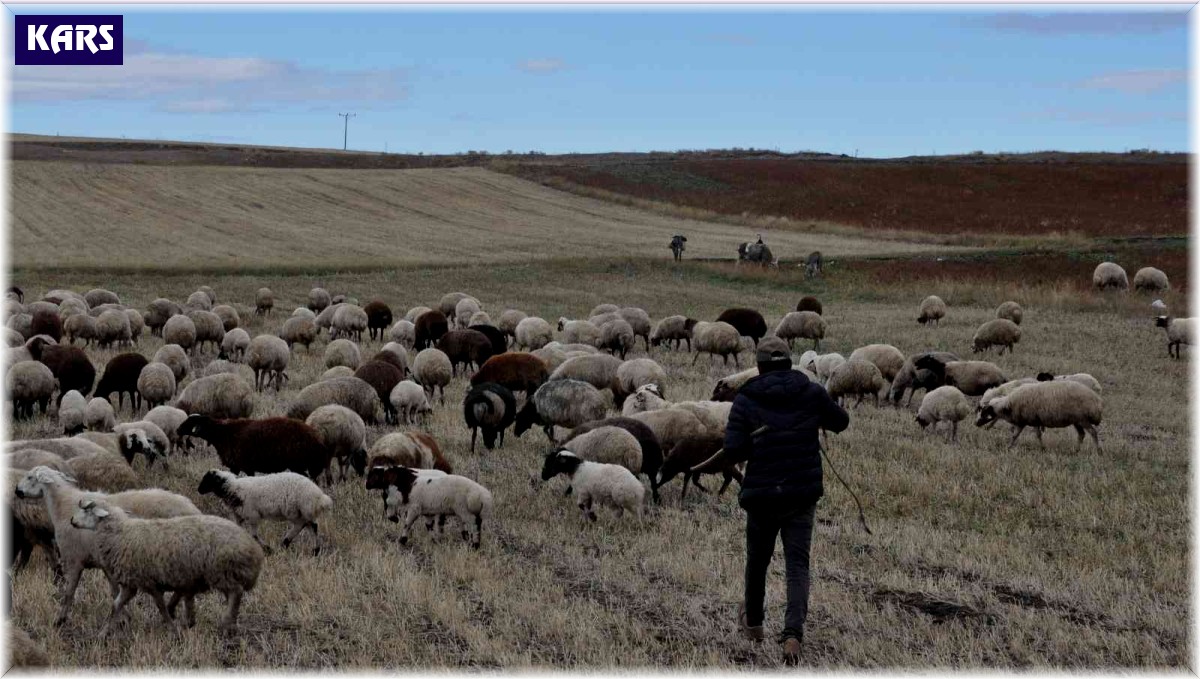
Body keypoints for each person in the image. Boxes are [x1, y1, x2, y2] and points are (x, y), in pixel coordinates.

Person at [721, 338, 849, 664]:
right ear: (790, 363)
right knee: (797, 566)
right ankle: (792, 635)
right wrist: (814, 417)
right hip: (801, 494)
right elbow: (841, 422)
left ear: (760, 366)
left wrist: (755, 442)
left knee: (758, 562)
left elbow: (733, 451)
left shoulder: (746, 399)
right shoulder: (812, 391)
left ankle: (754, 625)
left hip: (762, 495)